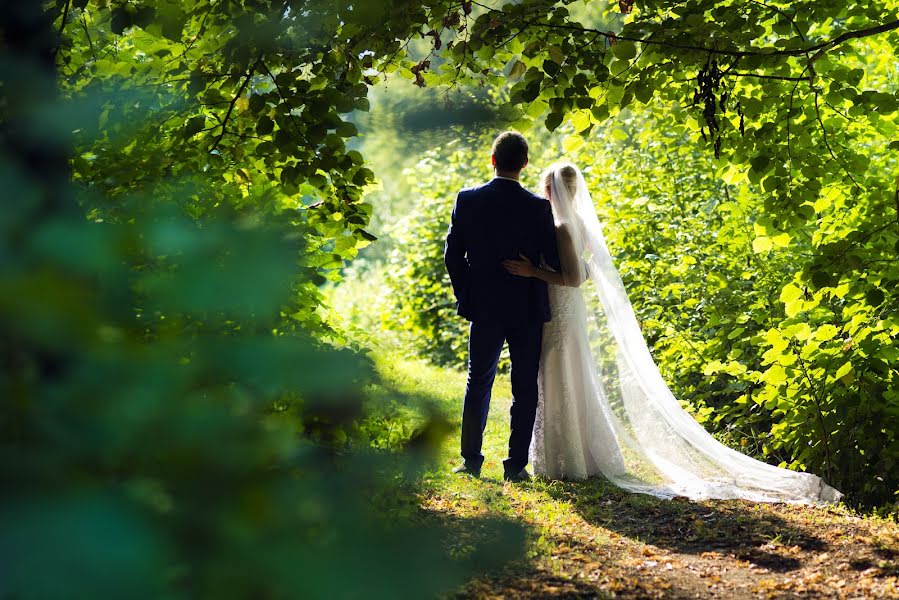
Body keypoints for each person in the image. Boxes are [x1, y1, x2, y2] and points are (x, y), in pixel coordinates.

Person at [501, 162, 841, 503]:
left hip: (561, 307)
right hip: (571, 310)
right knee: (572, 374)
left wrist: (533, 271)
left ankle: (566, 459)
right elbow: (587, 266)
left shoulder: (560, 226)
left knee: (560, 372)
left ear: (549, 191)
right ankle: (579, 455)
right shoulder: (580, 223)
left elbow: (573, 278)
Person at [444, 131, 560, 481]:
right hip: (526, 307)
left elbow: (453, 256)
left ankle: (471, 460)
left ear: (493, 160)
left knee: (478, 380)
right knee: (524, 387)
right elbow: (553, 261)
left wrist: (469, 292)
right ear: (525, 164)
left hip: (485, 306)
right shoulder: (539, 208)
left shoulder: (468, 199)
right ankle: (516, 467)